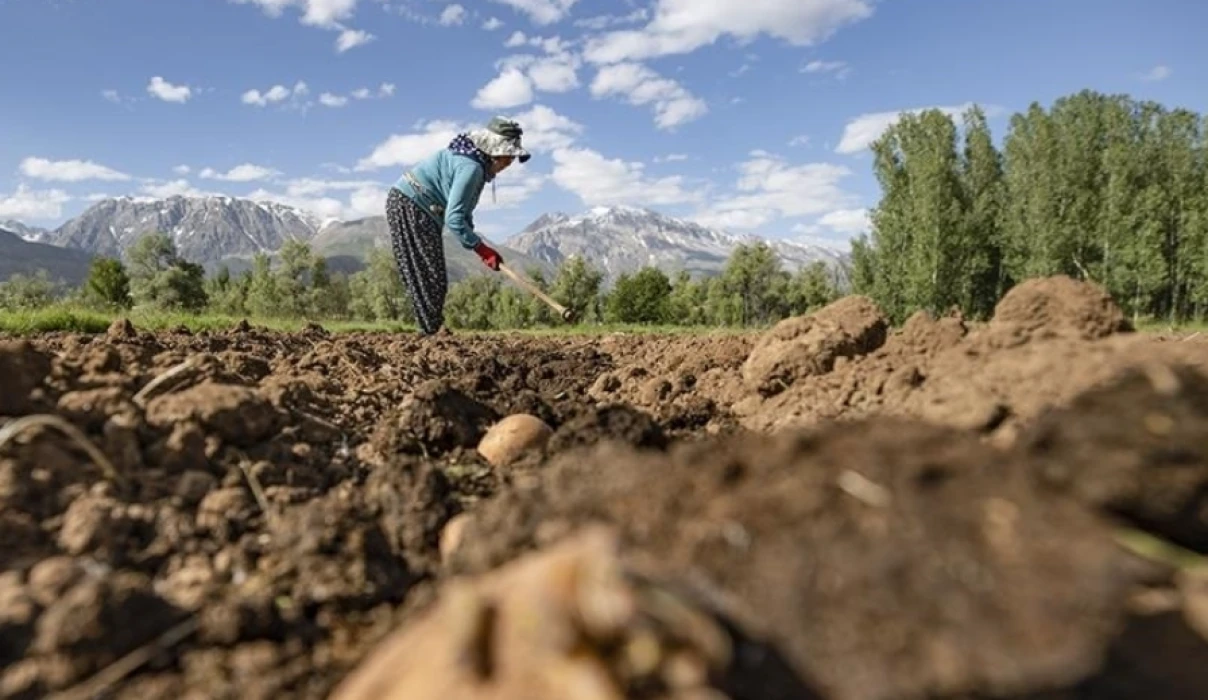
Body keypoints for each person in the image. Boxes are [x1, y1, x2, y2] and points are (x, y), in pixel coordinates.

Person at [385, 116, 531, 335]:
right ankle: (430, 334)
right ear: (494, 151)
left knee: (432, 277)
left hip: (416, 206)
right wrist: (481, 249)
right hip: (411, 204)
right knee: (430, 277)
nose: (509, 163)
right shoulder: (471, 168)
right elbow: (454, 218)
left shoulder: (474, 162)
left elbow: (463, 212)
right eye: (508, 156)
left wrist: (478, 245)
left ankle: (430, 332)